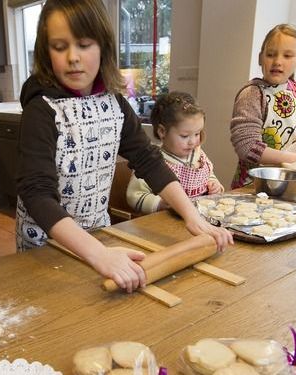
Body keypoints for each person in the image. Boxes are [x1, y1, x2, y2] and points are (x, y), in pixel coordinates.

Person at [16, 0, 233, 293]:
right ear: (45, 52)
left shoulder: (114, 103)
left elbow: (148, 160)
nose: (73, 58)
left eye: (84, 44)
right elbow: (37, 194)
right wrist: (98, 254)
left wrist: (193, 217)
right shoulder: (41, 111)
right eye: (59, 46)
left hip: (98, 237)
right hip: (45, 249)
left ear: (103, 46)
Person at [230, 23, 296, 189]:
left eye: (288, 56)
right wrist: (292, 159)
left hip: (288, 183)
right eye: (270, 54)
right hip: (253, 186)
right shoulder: (253, 95)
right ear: (260, 58)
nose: (277, 61)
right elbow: (246, 147)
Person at [126, 92, 224, 214]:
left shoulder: (198, 155)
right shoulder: (151, 161)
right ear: (162, 131)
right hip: (164, 225)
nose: (192, 142)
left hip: (199, 220)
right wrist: (159, 203)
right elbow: (135, 196)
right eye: (184, 136)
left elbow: (208, 175)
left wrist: (214, 185)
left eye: (197, 133)